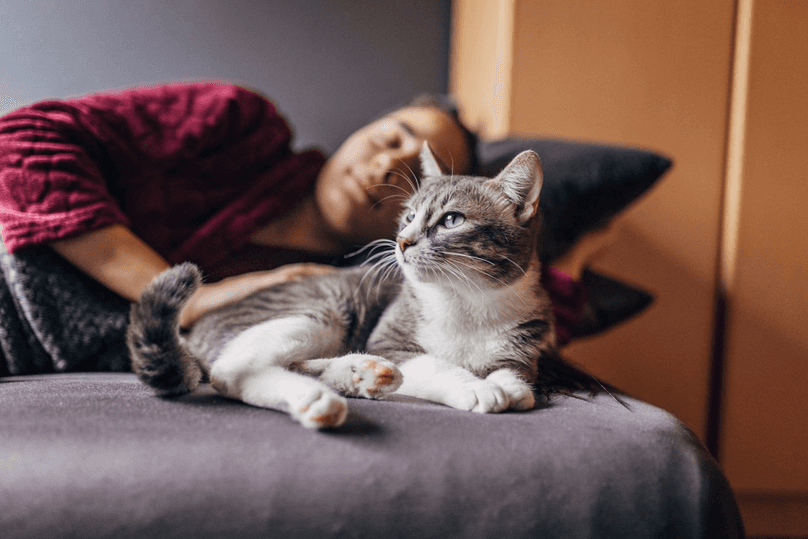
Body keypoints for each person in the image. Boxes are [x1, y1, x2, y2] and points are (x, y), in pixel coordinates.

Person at [0, 82, 587, 375]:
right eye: (388, 137)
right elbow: (20, 142)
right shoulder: (239, 124)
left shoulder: (359, 297)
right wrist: (195, 296)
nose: (386, 164)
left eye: (411, 173)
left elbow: (508, 298)